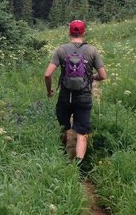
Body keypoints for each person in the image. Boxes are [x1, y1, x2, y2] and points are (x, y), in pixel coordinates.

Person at [44, 20, 107, 164]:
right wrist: (91, 78)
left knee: (64, 127)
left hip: (65, 96)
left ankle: (62, 154)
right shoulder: (92, 51)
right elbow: (103, 75)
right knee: (82, 133)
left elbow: (47, 75)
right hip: (83, 96)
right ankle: (77, 167)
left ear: (69, 33)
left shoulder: (61, 50)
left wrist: (49, 91)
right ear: (84, 33)